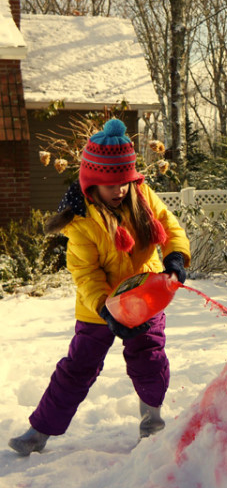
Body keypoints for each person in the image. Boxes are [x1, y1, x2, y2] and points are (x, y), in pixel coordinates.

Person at [8, 118, 190, 456]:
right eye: (111, 185)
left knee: (148, 357)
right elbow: (86, 274)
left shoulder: (140, 193)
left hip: (143, 295)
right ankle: (39, 431)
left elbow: (170, 225)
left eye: (125, 182)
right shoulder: (79, 220)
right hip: (99, 306)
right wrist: (107, 309)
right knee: (78, 366)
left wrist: (176, 256)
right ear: (92, 183)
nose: (120, 190)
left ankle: (152, 423)